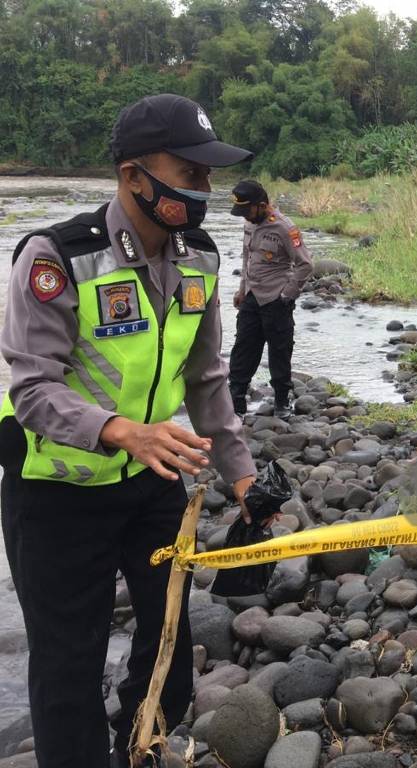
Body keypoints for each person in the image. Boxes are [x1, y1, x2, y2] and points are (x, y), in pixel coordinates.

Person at [0, 94, 260, 768]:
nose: (203, 190)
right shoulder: (56, 257)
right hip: (55, 491)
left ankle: (140, 748)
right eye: (189, 173)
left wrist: (242, 474)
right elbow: (32, 388)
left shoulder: (199, 259)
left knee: (168, 645)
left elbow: (206, 379)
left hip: (151, 483)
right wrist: (122, 430)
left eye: (208, 176)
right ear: (132, 175)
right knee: (67, 669)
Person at [227, 179, 312, 418]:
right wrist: (241, 289)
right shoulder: (249, 223)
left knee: (280, 351)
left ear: (262, 205)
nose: (245, 216)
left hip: (276, 299)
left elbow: (305, 265)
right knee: (243, 348)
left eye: (247, 210)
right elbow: (247, 259)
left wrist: (287, 295)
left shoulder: (285, 228)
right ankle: (236, 402)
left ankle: (282, 402)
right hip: (252, 297)